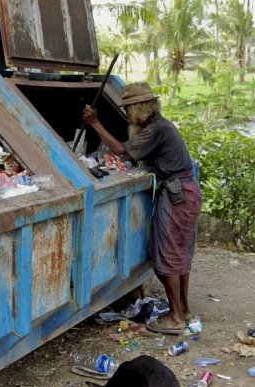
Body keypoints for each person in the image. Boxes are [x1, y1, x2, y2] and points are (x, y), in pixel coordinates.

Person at [82, 82, 202, 335]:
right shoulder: (161, 125)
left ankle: (176, 318)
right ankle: (184, 310)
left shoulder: (156, 129)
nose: (126, 115)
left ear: (139, 109)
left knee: (166, 255)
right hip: (185, 192)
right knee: (180, 255)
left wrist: (94, 123)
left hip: (177, 194)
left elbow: (122, 150)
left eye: (128, 110)